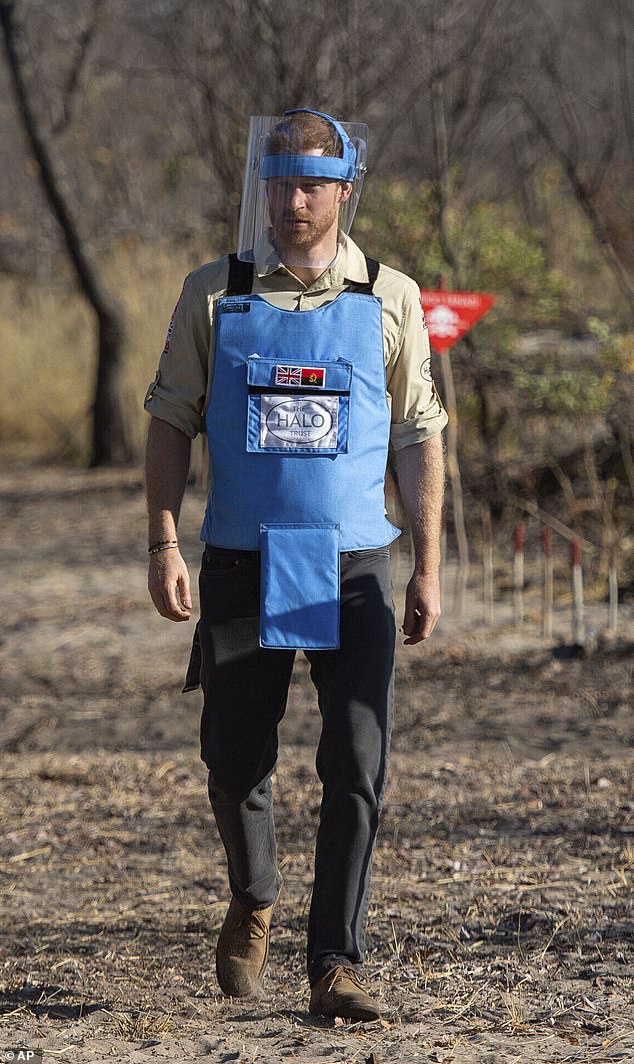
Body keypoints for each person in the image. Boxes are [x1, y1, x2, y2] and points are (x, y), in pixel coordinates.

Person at [144, 108, 447, 1021]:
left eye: (313, 183)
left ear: (346, 187)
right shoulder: (215, 292)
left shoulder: (389, 296)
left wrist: (427, 565)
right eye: (278, 182)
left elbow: (419, 434)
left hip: (354, 563)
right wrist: (163, 539)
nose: (293, 200)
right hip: (243, 559)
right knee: (236, 761)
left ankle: (336, 961)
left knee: (357, 760)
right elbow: (168, 419)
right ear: (260, 187)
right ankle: (255, 894)